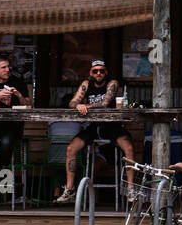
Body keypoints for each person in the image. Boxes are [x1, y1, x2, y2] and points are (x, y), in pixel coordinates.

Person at [54, 60, 136, 204]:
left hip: (111, 126)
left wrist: (86, 105)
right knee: (71, 148)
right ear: (91, 73)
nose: (98, 73)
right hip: (94, 126)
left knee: (128, 147)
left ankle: (130, 189)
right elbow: (72, 103)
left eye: (101, 71)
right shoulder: (86, 84)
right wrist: (78, 105)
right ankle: (69, 190)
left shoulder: (112, 83)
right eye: (95, 71)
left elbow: (104, 103)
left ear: (106, 72)